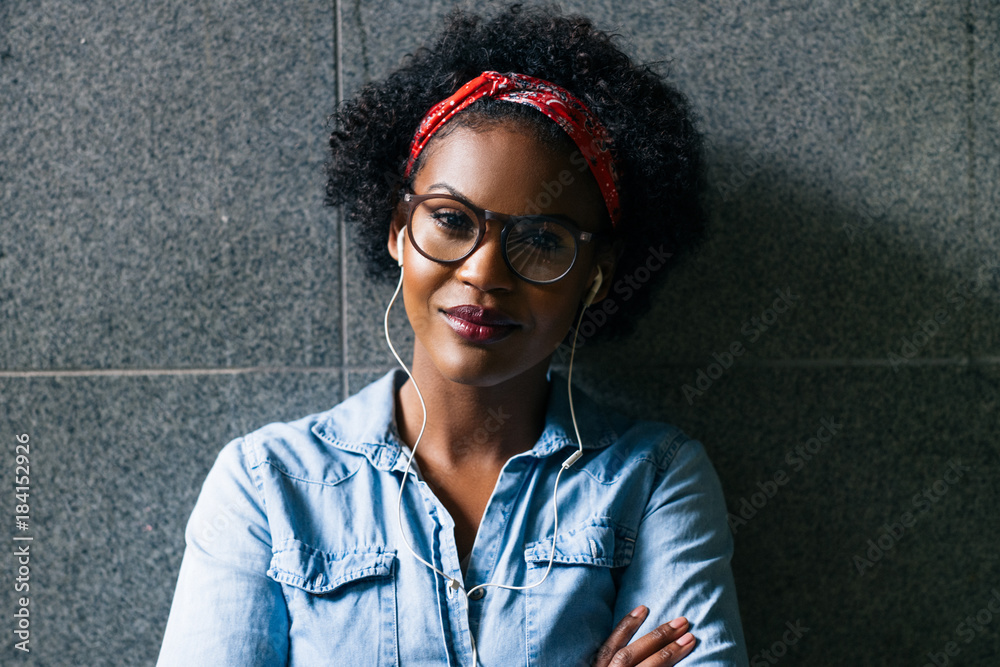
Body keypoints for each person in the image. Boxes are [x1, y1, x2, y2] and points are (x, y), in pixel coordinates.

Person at [158, 5, 748, 665]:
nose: (484, 272)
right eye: (450, 218)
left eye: (542, 239)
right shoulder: (266, 486)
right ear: (396, 228)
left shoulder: (653, 480)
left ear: (598, 274)